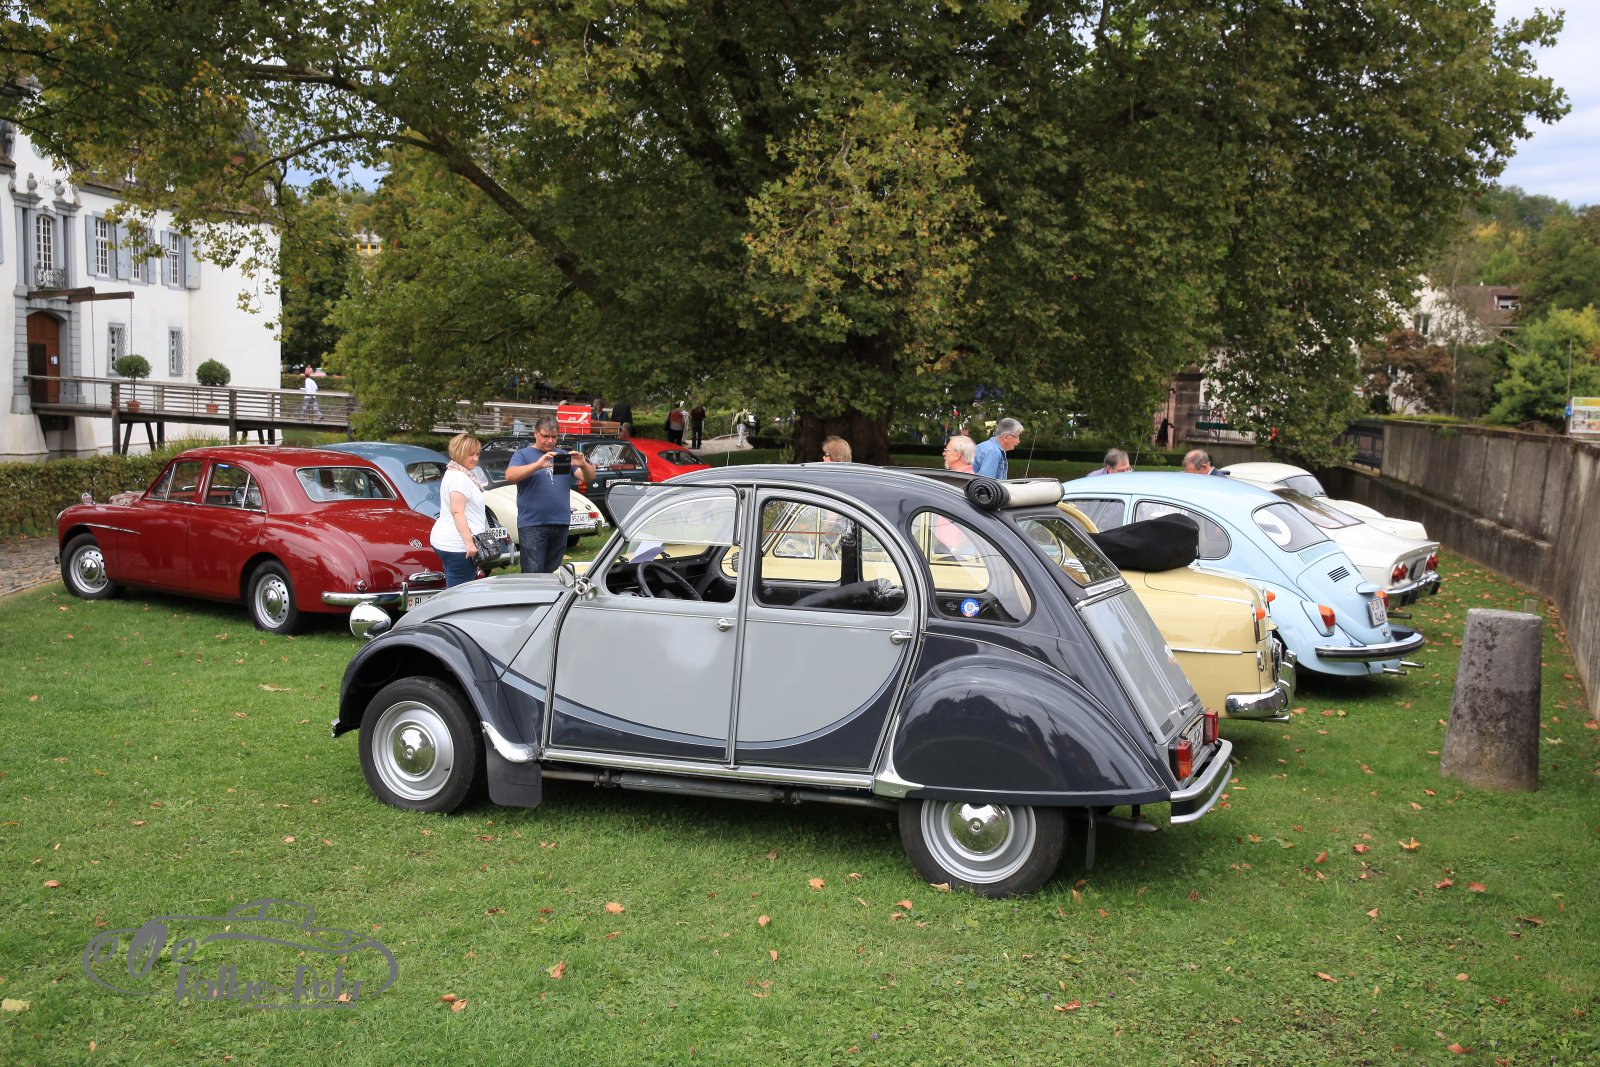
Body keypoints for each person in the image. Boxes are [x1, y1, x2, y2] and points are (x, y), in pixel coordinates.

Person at [506, 416, 597, 573]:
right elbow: (510, 476)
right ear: (535, 433)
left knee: (553, 575)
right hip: (533, 523)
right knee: (533, 575)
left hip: (560, 522)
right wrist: (538, 465)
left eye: (554, 437)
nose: (550, 441)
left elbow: (588, 477)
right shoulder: (523, 454)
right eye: (545, 436)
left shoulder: (561, 455)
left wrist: (583, 464)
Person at [429, 433, 489, 587]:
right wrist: (469, 544)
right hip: (458, 546)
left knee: (456, 588)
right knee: (460, 593)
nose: (475, 458)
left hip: (451, 541)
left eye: (477, 454)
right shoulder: (459, 479)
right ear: (459, 453)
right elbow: (457, 512)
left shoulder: (456, 472)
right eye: (471, 454)